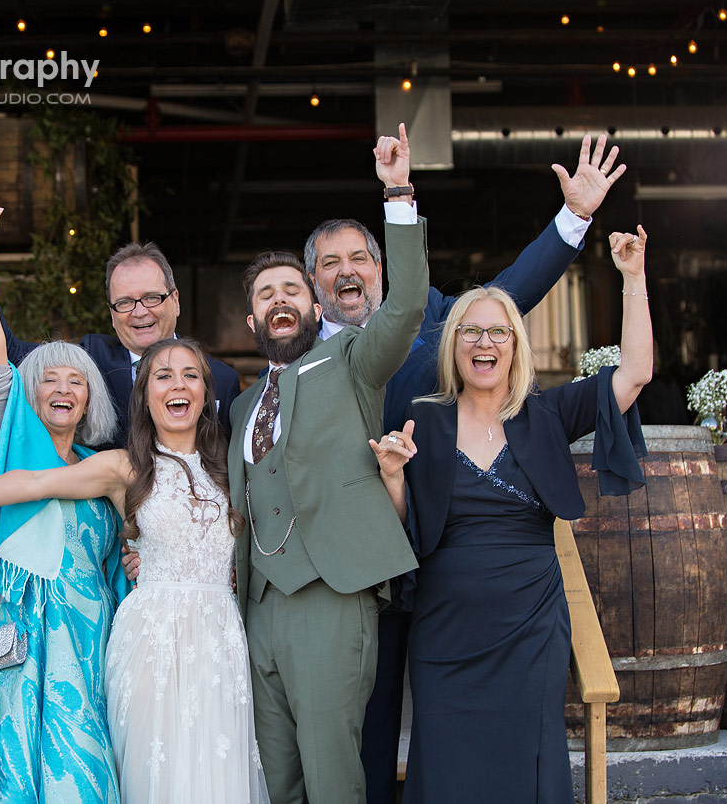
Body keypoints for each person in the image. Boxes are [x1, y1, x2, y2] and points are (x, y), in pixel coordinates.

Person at [325, 133, 627, 803]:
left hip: (441, 572)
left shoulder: (436, 323)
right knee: (369, 740)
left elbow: (509, 292)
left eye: (361, 257)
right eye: (330, 263)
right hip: (350, 577)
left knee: (474, 742)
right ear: (313, 280)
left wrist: (573, 218)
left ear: (385, 266)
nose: (347, 271)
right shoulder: (298, 359)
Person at [369, 226, 652, 804]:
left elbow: (635, 374)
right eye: (470, 331)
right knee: (446, 766)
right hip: (445, 633)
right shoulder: (425, 418)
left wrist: (634, 279)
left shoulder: (546, 415)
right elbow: (407, 529)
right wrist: (393, 478)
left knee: (528, 761)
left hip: (530, 629)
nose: (484, 342)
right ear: (453, 346)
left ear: (516, 346)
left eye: (499, 331)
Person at [0, 334, 269, 804]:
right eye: (163, 376)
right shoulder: (125, 466)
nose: (178, 385)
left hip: (220, 641)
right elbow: (34, 484)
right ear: (144, 395)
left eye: (190, 375)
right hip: (150, 642)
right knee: (154, 776)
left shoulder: (231, 465)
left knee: (217, 774)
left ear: (205, 394)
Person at [224, 124, 427, 803]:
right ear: (252, 322)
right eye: (265, 295)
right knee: (279, 779)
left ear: (314, 305)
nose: (280, 300)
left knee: (335, 778)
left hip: (331, 596)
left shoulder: (350, 365)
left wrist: (397, 192)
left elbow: (403, 309)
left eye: (291, 290)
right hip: (258, 606)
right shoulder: (243, 405)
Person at [0, 183, 128, 803]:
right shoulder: (3, 444)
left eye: (78, 382)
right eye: (49, 380)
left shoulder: (107, 465)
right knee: (3, 778)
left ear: (91, 400)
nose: (63, 389)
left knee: (79, 776)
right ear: (29, 393)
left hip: (84, 649)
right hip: (11, 640)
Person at [0, 205, 241, 445]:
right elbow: (8, 354)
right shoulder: (90, 359)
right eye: (125, 302)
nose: (140, 312)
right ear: (112, 314)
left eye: (152, 298)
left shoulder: (222, 380)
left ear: (175, 300)